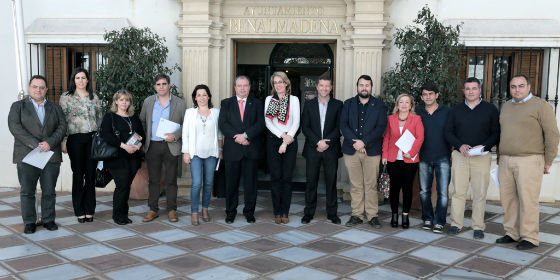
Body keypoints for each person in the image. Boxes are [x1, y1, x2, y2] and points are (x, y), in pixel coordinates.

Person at [496, 75, 559, 250]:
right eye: (513, 86)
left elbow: (552, 134)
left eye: (521, 86)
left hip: (530, 160)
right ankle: (512, 233)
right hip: (506, 160)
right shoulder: (507, 106)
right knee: (508, 199)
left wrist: (548, 160)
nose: (517, 89)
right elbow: (503, 132)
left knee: (528, 200)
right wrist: (500, 155)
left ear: (529, 87)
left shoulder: (541, 106)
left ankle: (530, 237)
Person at [8, 75, 67, 234]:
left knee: (49, 190)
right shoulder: (17, 106)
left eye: (41, 87)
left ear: (46, 90)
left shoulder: (55, 108)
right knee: (27, 191)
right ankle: (29, 221)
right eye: (35, 86)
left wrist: (50, 142)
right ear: (29, 88)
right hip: (27, 155)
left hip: (51, 154)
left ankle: (48, 219)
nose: (38, 90)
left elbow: (62, 127)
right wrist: (36, 144)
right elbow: (15, 127)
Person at [444, 77, 500, 239]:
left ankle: (478, 226)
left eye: (474, 88)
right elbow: (448, 132)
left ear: (479, 90)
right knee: (458, 192)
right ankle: (456, 223)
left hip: (481, 156)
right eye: (467, 89)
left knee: (479, 193)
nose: (470, 91)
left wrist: (484, 146)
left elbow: (496, 133)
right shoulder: (456, 110)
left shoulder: (490, 109)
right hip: (460, 156)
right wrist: (459, 145)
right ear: (463, 91)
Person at [340, 74, 387, 228]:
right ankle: (357, 215)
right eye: (361, 85)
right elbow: (343, 125)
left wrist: (364, 142)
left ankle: (372, 215)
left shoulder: (379, 105)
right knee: (356, 184)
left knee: (371, 184)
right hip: (352, 151)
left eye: (367, 85)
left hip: (371, 151)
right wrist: (357, 143)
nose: (364, 88)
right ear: (357, 86)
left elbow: (380, 128)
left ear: (371, 87)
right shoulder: (348, 104)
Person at [140, 74, 186, 223]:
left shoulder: (180, 103)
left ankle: (172, 210)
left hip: (171, 145)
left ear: (169, 85)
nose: (161, 87)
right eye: (158, 84)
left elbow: (187, 125)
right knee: (153, 179)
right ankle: (153, 209)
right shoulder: (148, 102)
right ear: (155, 86)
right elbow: (142, 122)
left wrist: (175, 136)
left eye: (164, 84)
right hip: (152, 145)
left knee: (171, 179)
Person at [218, 75, 265, 224]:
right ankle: (230, 212)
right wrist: (236, 137)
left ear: (249, 87)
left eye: (245, 85)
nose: (242, 88)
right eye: (239, 85)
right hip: (233, 150)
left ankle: (249, 212)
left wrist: (246, 136)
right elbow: (223, 123)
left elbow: (260, 124)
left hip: (251, 149)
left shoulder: (257, 103)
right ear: (235, 87)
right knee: (231, 184)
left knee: (251, 184)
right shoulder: (226, 103)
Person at [60, 68, 102, 223]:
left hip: (92, 139)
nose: (81, 80)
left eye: (83, 77)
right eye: (77, 78)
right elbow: (63, 120)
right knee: (78, 175)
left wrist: (100, 140)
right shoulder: (66, 97)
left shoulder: (94, 97)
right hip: (75, 139)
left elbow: (99, 119)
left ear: (87, 80)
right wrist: (64, 140)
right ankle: (79, 210)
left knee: (90, 176)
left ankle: (90, 209)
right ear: (74, 80)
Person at [301, 75, 342, 224]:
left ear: (331, 88)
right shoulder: (309, 104)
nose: (324, 88)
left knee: (331, 182)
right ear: (317, 87)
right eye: (321, 85)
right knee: (311, 182)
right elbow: (305, 127)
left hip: (331, 149)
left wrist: (327, 143)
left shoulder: (338, 104)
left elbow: (340, 127)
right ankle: (308, 213)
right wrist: (318, 142)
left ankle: (332, 213)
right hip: (313, 149)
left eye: (327, 86)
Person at [101, 90, 145, 225]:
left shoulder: (134, 117)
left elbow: (141, 133)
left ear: (130, 102)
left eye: (127, 100)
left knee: (126, 186)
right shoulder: (110, 117)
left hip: (133, 157)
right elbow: (106, 135)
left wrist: (138, 146)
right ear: (116, 101)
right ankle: (117, 215)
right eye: (121, 100)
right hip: (116, 157)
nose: (124, 102)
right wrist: (124, 146)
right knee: (122, 185)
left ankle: (123, 214)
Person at [182, 84, 223, 226]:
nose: (201, 97)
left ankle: (205, 209)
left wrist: (220, 151)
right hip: (195, 154)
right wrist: (186, 152)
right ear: (195, 97)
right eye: (198, 95)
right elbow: (185, 133)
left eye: (204, 94)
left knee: (209, 183)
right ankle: (194, 212)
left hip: (211, 153)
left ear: (209, 96)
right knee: (197, 183)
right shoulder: (190, 113)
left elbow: (219, 134)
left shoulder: (216, 112)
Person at [382, 93, 424, 229]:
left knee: (407, 188)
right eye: (401, 102)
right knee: (394, 188)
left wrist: (411, 153)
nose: (404, 105)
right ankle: (394, 214)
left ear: (411, 105)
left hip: (409, 160)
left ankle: (405, 215)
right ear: (397, 104)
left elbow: (420, 138)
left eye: (407, 102)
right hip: (393, 159)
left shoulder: (416, 119)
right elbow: (387, 138)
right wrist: (384, 155)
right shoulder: (390, 119)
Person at [265, 71, 300, 224]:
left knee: (286, 178)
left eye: (280, 82)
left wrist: (286, 142)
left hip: (290, 142)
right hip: (273, 142)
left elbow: (296, 122)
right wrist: (282, 137)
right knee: (275, 178)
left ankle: (285, 211)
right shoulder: (269, 100)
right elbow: (268, 122)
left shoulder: (294, 99)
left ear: (286, 83)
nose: (278, 85)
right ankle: (277, 211)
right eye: (275, 82)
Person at [416, 82, 451, 234]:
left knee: (443, 191)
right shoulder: (417, 113)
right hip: (423, 156)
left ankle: (440, 221)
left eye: (431, 94)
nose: (428, 96)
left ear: (437, 95)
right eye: (425, 94)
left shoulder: (447, 111)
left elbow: (452, 132)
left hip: (443, 156)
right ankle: (428, 218)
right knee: (424, 191)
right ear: (421, 97)